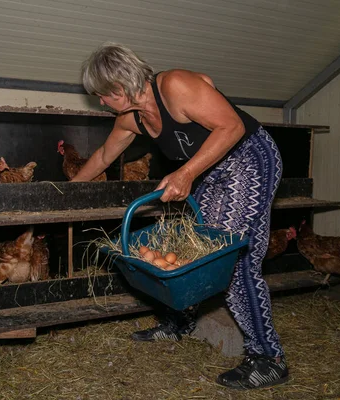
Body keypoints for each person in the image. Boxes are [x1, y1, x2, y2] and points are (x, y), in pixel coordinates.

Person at [74, 43, 288, 390]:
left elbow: (231, 127)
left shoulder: (174, 86)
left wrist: (186, 174)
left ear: (118, 88)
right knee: (191, 246)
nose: (100, 102)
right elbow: (102, 156)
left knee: (234, 260)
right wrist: (68, 190)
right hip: (209, 170)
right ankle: (181, 322)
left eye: (102, 95)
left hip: (249, 158)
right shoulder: (131, 118)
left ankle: (268, 358)